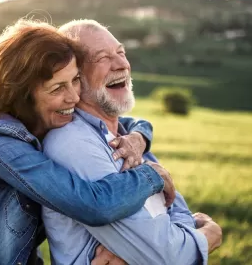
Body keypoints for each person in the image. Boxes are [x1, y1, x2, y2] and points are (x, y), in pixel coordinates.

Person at [0, 19, 177, 265]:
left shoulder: (48, 121)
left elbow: (129, 122)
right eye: (57, 89)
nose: (74, 97)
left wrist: (138, 138)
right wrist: (150, 175)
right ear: (22, 96)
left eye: (75, 80)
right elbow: (92, 205)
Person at [42, 19, 223, 265]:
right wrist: (207, 235)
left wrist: (180, 234)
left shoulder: (129, 138)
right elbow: (167, 257)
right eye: (103, 58)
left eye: (121, 52)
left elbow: (173, 207)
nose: (122, 64)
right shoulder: (72, 144)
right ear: (75, 77)